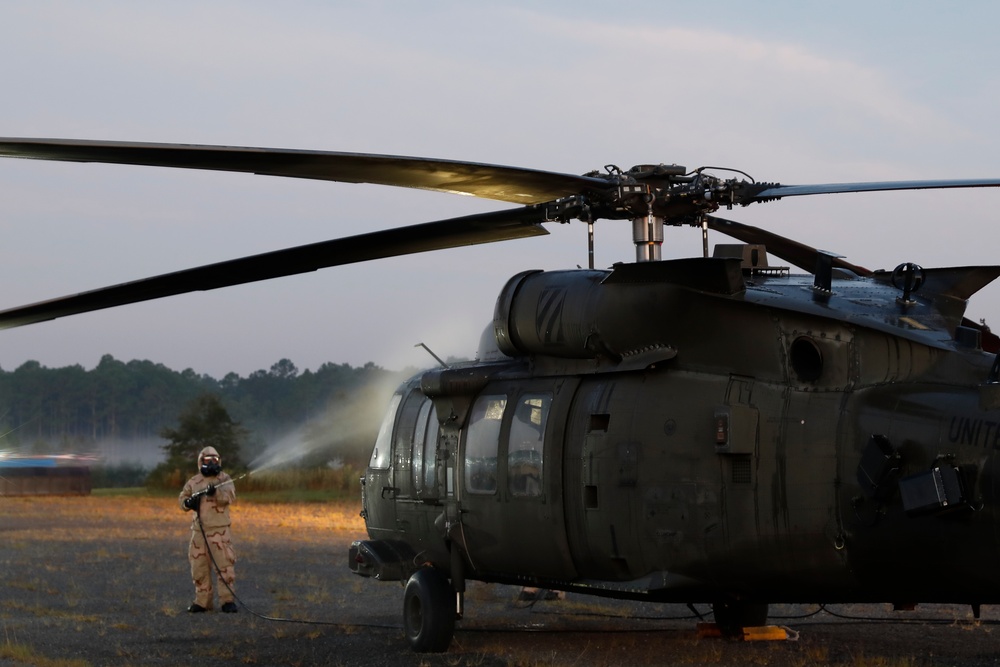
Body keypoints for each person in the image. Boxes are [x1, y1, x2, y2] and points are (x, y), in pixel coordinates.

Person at [179, 446, 238, 613]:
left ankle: (227, 601)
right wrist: (187, 503)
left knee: (225, 566)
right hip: (199, 532)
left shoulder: (224, 479)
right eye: (207, 460)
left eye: (215, 460)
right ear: (200, 462)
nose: (212, 463)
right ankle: (202, 601)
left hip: (219, 531)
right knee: (199, 567)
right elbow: (182, 497)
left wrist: (216, 492)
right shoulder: (194, 481)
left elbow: (229, 498)